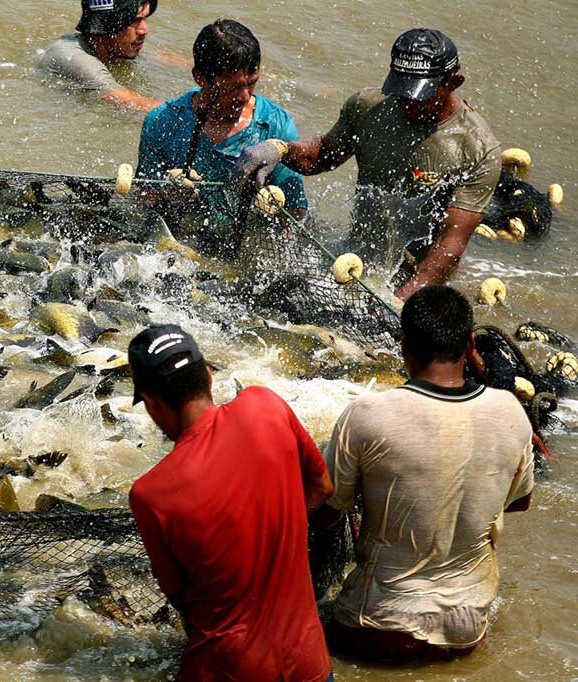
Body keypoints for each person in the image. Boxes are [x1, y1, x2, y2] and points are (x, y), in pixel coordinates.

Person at [316, 285, 534, 661]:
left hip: (376, 628)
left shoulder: (368, 414)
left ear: (404, 346)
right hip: (466, 632)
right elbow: (520, 500)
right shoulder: (511, 412)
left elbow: (326, 513)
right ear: (469, 345)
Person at [127, 324, 334, 681]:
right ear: (208, 376)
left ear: (152, 403)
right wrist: (275, 531)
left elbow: (183, 599)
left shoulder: (150, 494)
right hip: (309, 663)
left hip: (227, 669)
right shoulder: (265, 406)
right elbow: (322, 487)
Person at [232, 29, 501, 300]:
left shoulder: (477, 150)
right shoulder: (367, 107)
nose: (407, 102)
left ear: (454, 82)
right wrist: (281, 148)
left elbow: (449, 245)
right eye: (402, 90)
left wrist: (398, 303)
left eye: (420, 95)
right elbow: (323, 155)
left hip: (416, 279)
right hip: (355, 260)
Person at [136, 19, 308, 249]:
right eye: (232, 87)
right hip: (181, 245)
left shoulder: (276, 127)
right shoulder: (162, 122)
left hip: (245, 248)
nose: (244, 96)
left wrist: (273, 210)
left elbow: (296, 214)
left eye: (251, 84)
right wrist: (167, 194)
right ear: (200, 77)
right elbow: (143, 200)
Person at [37, 0, 161, 112]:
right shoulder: (75, 58)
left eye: (145, 19)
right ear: (107, 24)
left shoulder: (115, 48)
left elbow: (161, 57)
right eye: (134, 21)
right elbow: (129, 102)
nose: (144, 30)